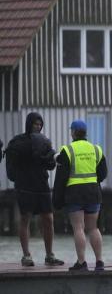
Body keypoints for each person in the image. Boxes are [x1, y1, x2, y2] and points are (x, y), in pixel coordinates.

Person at [6, 112, 63, 267]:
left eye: (40, 124)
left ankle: (49, 255)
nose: (38, 127)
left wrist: (50, 157)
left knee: (49, 219)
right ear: (28, 124)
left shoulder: (44, 142)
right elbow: (12, 168)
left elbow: (50, 165)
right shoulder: (18, 142)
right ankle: (26, 256)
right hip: (24, 187)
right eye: (35, 124)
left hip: (42, 185)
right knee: (25, 219)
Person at [52, 120, 108, 272]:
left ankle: (82, 262)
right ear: (85, 132)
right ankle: (99, 262)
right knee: (93, 228)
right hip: (93, 192)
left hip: (75, 193)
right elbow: (103, 174)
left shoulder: (67, 151)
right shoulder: (97, 149)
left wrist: (57, 199)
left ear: (73, 132)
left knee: (78, 228)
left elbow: (61, 179)